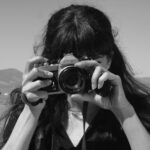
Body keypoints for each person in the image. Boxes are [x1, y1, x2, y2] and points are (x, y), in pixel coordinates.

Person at [1, 4, 150, 150]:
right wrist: (31, 111)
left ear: (109, 60)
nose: (76, 74)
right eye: (67, 65)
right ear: (50, 64)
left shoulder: (137, 111)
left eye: (88, 63)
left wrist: (124, 111)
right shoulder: (32, 108)